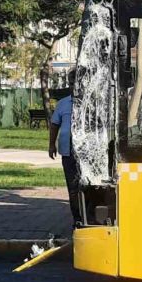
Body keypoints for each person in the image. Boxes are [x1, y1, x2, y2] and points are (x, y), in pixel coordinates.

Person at [49, 69, 82, 225]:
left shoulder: (94, 102)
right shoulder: (63, 103)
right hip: (68, 151)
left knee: (88, 186)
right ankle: (77, 219)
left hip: (86, 152)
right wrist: (51, 145)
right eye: (71, 82)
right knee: (73, 187)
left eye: (76, 82)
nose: (74, 86)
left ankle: (89, 215)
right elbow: (55, 125)